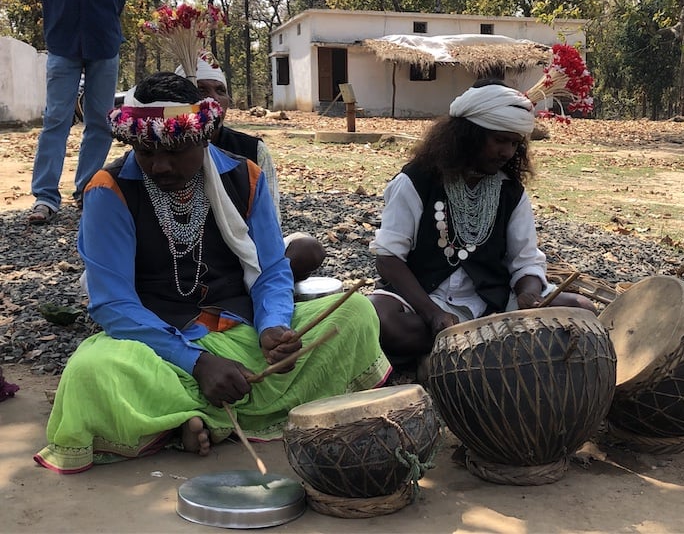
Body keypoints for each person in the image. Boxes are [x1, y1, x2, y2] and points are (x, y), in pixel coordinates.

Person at [34, 72, 391, 473]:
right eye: (146, 152)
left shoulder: (244, 176)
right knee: (91, 370)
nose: (160, 164)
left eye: (175, 149)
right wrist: (197, 363)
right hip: (158, 344)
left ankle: (178, 417)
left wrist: (274, 328)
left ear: (204, 136)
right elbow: (113, 304)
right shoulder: (107, 189)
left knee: (356, 312)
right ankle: (208, 410)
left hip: (243, 333)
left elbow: (272, 269)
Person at [367, 79, 595, 372]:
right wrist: (433, 313)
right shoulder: (415, 181)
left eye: (514, 143)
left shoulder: (510, 192)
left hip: (491, 305)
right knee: (380, 318)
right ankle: (489, 346)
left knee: (581, 310)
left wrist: (529, 292)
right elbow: (388, 259)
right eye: (499, 140)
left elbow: (525, 260)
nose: (507, 153)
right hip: (426, 302)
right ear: (467, 136)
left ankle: (453, 350)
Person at [176, 52, 325, 281]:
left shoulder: (252, 150)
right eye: (201, 90)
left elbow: (270, 222)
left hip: (247, 250)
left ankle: (257, 283)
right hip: (182, 256)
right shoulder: (162, 154)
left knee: (308, 249)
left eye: (220, 91)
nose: (213, 99)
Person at [28, 0, 131, 224]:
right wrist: (61, 12)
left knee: (100, 120)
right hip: (63, 37)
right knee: (56, 118)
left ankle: (87, 191)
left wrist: (104, 16)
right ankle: (45, 197)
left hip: (104, 38)